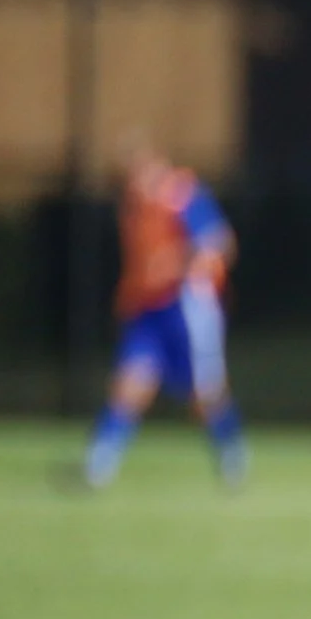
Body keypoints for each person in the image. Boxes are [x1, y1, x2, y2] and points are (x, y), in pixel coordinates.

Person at [82, 139, 247, 490]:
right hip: (147, 313)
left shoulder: (182, 197)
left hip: (187, 308)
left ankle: (231, 453)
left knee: (204, 396)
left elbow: (220, 242)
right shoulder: (132, 208)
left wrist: (175, 263)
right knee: (129, 387)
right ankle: (99, 463)